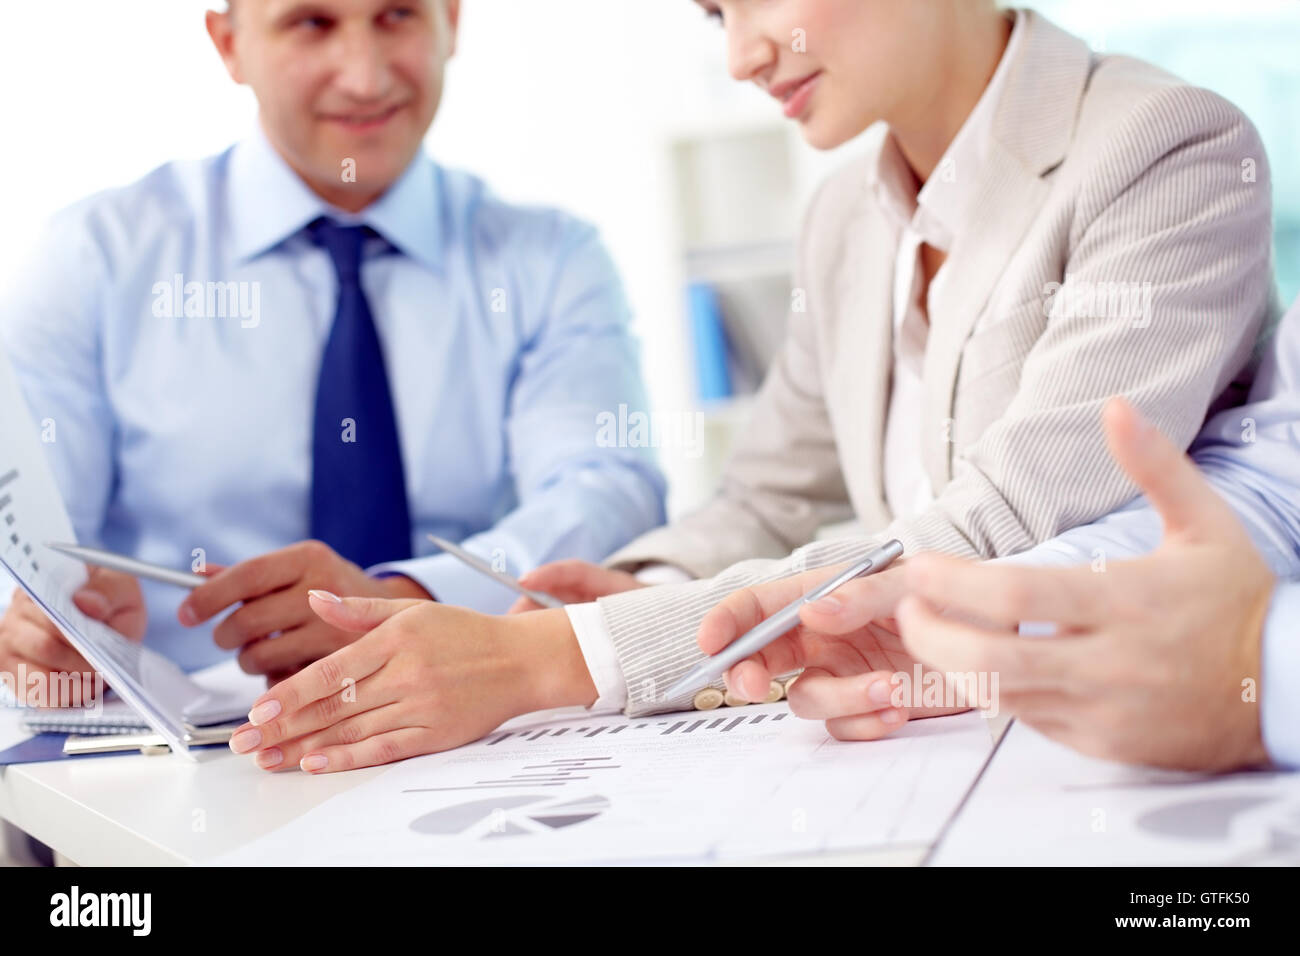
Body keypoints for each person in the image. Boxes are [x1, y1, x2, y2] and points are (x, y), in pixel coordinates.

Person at [224, 1, 1278, 774]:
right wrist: (631, 584)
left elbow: (1011, 515)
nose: (739, 54)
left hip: (1111, 756)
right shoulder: (841, 219)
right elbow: (766, 493)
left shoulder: (1163, 145)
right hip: (919, 747)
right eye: (715, 12)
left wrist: (560, 655)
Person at [0, 0, 665, 700]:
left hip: (466, 716)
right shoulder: (95, 257)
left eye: (397, 16)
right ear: (229, 44)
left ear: (452, 23)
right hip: (180, 743)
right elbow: (30, 534)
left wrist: (399, 597)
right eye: (312, 24)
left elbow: (606, 486)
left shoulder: (553, 259)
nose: (366, 77)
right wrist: (59, 617)